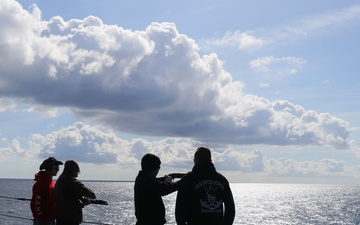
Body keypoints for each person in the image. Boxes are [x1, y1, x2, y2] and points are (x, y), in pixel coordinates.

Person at [175, 147, 236, 225]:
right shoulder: (222, 180)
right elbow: (230, 207)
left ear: (197, 159)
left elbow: (180, 209)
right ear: (210, 160)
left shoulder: (188, 179)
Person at [134, 153, 179, 225]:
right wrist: (168, 180)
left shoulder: (141, 179)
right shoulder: (148, 183)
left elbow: (156, 183)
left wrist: (166, 179)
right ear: (155, 168)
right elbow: (165, 188)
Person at [54, 160, 96, 225]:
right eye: (77, 172)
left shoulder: (60, 179)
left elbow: (67, 201)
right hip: (69, 220)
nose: (77, 175)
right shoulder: (71, 181)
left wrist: (81, 204)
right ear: (73, 170)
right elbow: (91, 194)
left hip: (61, 218)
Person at [30, 157, 63, 225]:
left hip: (50, 218)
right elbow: (35, 203)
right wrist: (41, 218)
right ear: (49, 168)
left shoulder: (50, 182)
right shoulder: (41, 183)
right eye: (56, 168)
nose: (58, 170)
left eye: (58, 168)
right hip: (43, 220)